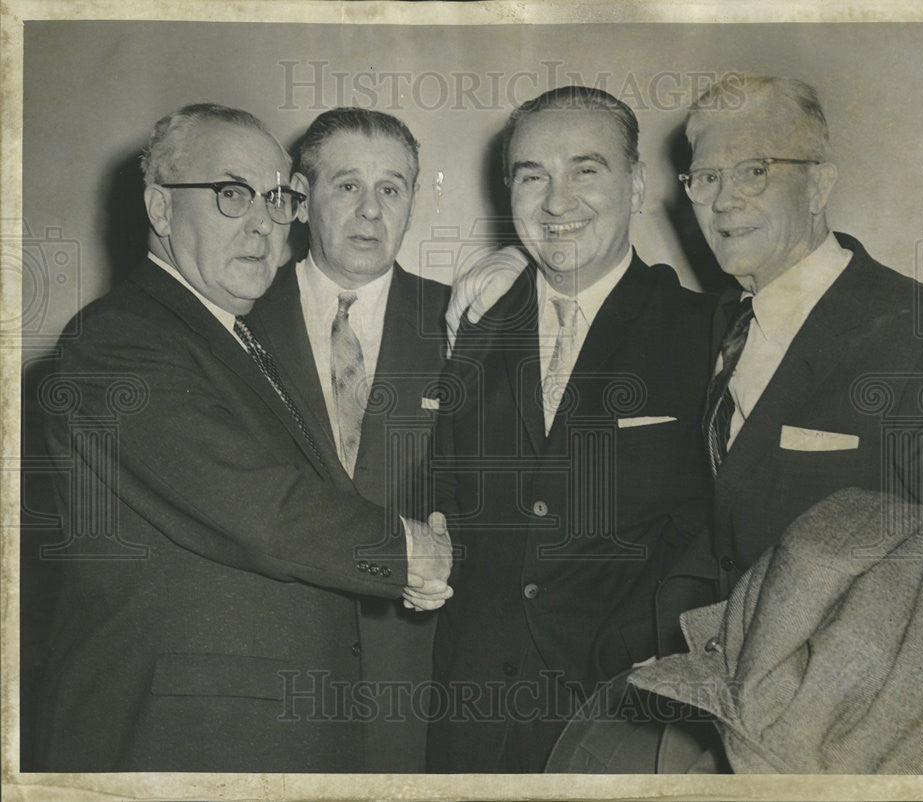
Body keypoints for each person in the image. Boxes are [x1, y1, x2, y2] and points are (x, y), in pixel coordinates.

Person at [35, 103, 451, 772]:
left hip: (266, 728)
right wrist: (406, 553)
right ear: (161, 210)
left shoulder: (227, 336)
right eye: (232, 194)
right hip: (183, 736)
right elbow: (258, 507)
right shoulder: (120, 341)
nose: (263, 221)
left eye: (276, 198)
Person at [426, 86, 715, 773]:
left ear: (638, 186)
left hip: (625, 722)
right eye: (533, 175)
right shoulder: (471, 324)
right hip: (466, 725)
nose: (557, 202)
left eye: (586, 171)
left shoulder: (705, 331)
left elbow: (725, 528)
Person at [655, 75, 923, 652]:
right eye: (706, 178)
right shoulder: (723, 323)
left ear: (818, 185)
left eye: (755, 170)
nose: (725, 199)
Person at [246, 108, 450, 772]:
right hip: (265, 672)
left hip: (417, 677)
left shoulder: (469, 325)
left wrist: (447, 557)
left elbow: (496, 495)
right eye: (347, 186)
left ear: (413, 202)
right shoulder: (234, 320)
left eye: (391, 188)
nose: (370, 211)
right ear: (300, 200)